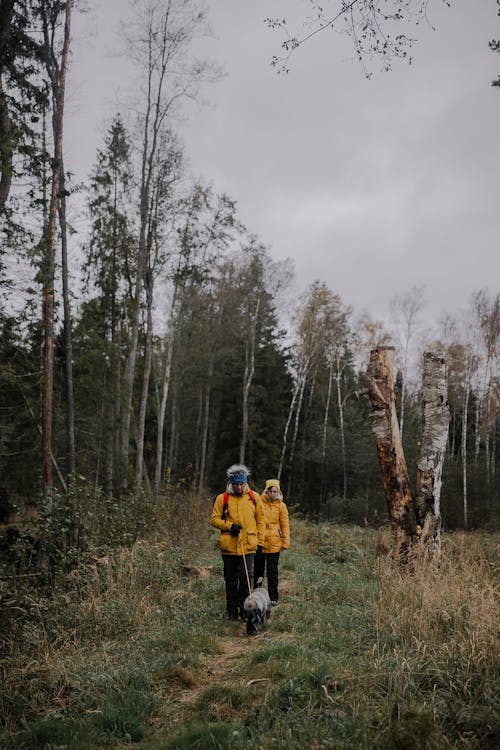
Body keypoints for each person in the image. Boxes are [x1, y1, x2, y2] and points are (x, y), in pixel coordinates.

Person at [211, 464, 265, 621]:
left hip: (248, 546)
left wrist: (260, 543)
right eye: (236, 484)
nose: (239, 487)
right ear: (231, 483)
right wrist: (229, 526)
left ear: (246, 482)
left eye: (242, 484)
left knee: (246, 576)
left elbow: (261, 520)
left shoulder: (254, 497)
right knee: (230, 579)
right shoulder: (223, 498)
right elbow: (214, 519)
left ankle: (245, 609)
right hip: (228, 546)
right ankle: (231, 610)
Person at [254, 478, 290, 606]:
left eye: (275, 491)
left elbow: (285, 524)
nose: (273, 493)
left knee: (272, 571)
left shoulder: (281, 506)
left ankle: (273, 597)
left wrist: (285, 541)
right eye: (271, 491)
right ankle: (257, 593)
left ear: (278, 492)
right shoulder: (259, 503)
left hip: (275, 542)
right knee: (258, 570)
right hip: (260, 541)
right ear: (266, 492)